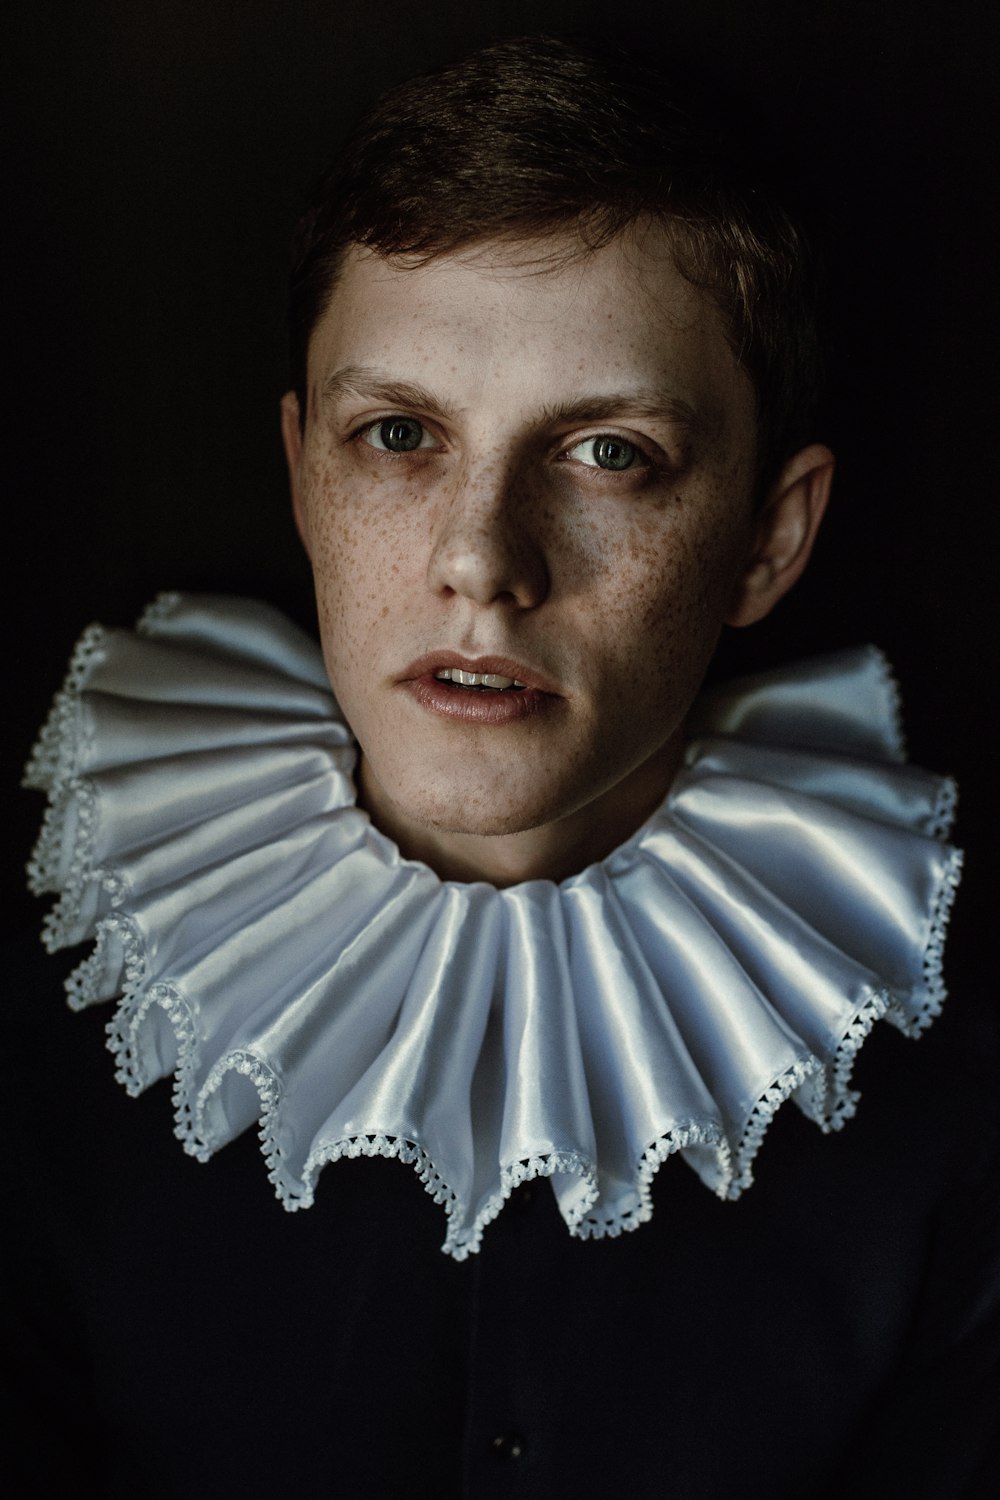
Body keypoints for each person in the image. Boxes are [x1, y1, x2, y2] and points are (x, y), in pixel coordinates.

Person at [10, 35, 998, 1498]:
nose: (481, 561)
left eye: (609, 454)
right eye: (399, 434)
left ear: (771, 539)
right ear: (301, 472)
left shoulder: (956, 1063)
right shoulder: (54, 979)